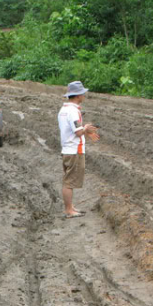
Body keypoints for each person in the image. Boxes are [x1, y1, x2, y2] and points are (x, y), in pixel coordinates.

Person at [58, 81, 99, 219]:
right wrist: (86, 129)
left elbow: (72, 130)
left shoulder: (63, 110)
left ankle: (70, 207)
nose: (84, 95)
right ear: (78, 95)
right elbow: (77, 132)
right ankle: (69, 210)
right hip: (74, 150)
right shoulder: (73, 111)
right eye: (82, 93)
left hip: (67, 149)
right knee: (69, 181)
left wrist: (85, 130)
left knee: (68, 179)